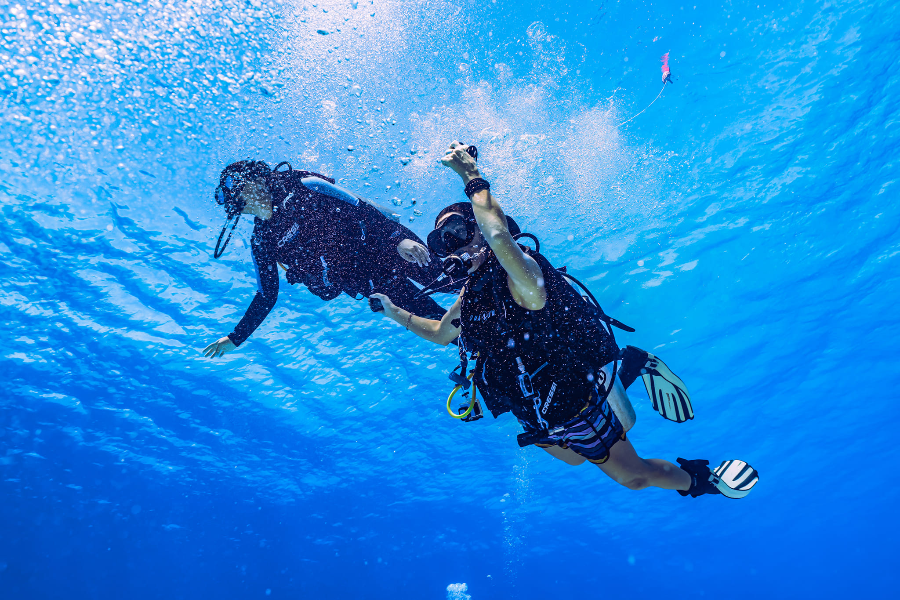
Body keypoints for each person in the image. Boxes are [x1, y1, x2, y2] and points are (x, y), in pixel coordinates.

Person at [370, 142, 759, 499]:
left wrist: (471, 176)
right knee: (574, 460)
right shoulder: (471, 296)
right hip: (535, 413)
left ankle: (701, 480)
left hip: (573, 400)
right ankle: (628, 368)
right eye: (442, 240)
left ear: (482, 231)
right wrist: (392, 311)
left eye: (458, 230)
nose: (451, 246)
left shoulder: (521, 273)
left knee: (633, 476)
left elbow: (500, 239)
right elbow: (441, 334)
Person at [203, 159, 446, 358]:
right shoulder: (262, 241)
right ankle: (471, 345)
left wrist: (398, 241)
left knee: (447, 278)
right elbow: (267, 295)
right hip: (368, 280)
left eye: (235, 185)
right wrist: (236, 337)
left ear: (256, 178)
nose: (234, 197)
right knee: (437, 321)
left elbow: (361, 208)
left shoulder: (303, 186)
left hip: (386, 245)